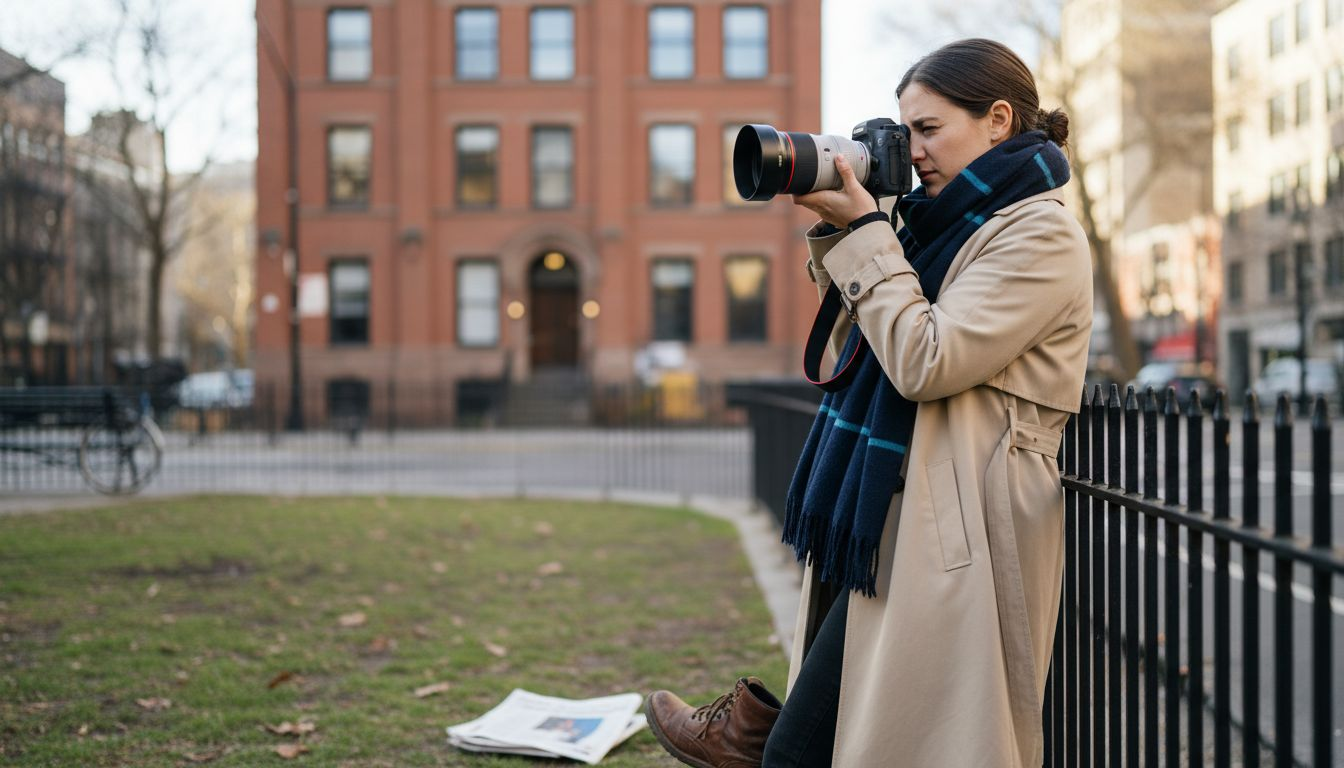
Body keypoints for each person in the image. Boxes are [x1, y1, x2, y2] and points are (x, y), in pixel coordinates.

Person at [645, 38, 1092, 768]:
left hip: (964, 520)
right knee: (843, 723)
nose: (911, 151)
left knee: (879, 731)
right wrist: (843, 228)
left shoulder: (1040, 234)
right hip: (896, 501)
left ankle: (747, 738)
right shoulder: (940, 224)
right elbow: (875, 337)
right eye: (903, 130)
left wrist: (867, 234)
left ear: (999, 121)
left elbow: (925, 359)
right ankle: (751, 736)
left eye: (929, 128)